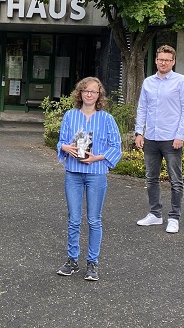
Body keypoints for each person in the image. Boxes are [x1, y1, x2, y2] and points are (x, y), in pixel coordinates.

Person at [55, 77, 122, 281]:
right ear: (80, 93)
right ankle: (72, 260)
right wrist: (65, 147)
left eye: (93, 92)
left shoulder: (107, 119)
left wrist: (97, 157)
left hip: (96, 173)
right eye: (85, 91)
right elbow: (61, 142)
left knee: (94, 220)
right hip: (73, 172)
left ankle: (92, 263)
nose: (89, 95)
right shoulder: (69, 116)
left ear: (99, 95)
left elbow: (116, 146)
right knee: (74, 219)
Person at [134, 45, 184, 234]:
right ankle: (155, 214)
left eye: (167, 60)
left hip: (171, 138)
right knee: (151, 178)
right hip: (151, 137)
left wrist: (180, 135)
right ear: (156, 60)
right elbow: (142, 108)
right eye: (160, 59)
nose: (163, 63)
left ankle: (174, 217)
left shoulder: (181, 81)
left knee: (176, 180)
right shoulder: (148, 82)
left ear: (173, 61)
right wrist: (139, 132)